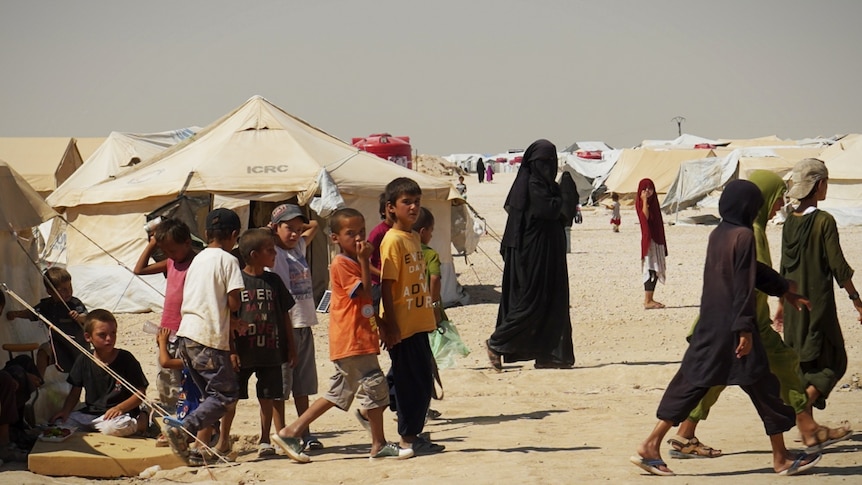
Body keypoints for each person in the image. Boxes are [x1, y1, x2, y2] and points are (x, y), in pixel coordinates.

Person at [631, 180, 820, 477]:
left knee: (700, 383)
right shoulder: (744, 235)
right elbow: (743, 286)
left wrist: (783, 288)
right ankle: (781, 458)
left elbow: (752, 271)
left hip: (711, 323)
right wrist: (745, 329)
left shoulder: (719, 233)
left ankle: (651, 445)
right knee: (757, 387)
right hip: (731, 329)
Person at [668, 170, 851, 459]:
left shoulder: (743, 227)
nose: (780, 205)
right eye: (778, 198)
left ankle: (683, 434)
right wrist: (754, 322)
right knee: (783, 369)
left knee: (715, 379)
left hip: (730, 322)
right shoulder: (749, 232)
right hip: (744, 323)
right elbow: (749, 282)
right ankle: (802, 434)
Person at [271, 208, 412, 462]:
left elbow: (364, 306)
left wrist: (379, 322)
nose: (358, 238)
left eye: (361, 232)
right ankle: (292, 431)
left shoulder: (353, 262)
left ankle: (375, 443)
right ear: (335, 238)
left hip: (360, 337)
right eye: (350, 234)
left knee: (363, 390)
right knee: (362, 389)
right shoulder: (342, 264)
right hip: (352, 339)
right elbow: (366, 293)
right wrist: (365, 262)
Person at [777, 158, 862, 419]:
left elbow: (783, 266)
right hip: (817, 305)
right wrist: (856, 299)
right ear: (819, 185)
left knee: (804, 364)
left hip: (792, 305)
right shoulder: (824, 221)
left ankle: (809, 427)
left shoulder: (790, 221)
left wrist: (781, 304)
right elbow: (838, 265)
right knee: (835, 361)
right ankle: (802, 413)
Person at [162, 208, 245, 466]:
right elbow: (233, 302)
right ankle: (183, 429)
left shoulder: (197, 259)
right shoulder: (229, 260)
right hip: (209, 339)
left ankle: (198, 450)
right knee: (225, 396)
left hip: (186, 337)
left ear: (207, 234)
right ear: (234, 235)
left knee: (207, 397)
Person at [486, 139, 575, 370]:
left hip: (550, 256)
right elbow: (552, 210)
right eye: (544, 162)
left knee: (553, 302)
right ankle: (497, 343)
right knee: (531, 302)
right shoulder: (533, 186)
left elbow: (562, 215)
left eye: (551, 162)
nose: (548, 167)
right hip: (532, 257)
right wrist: (565, 192)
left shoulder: (547, 187)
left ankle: (549, 354)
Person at [379, 177, 445, 454]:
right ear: (391, 207)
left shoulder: (414, 237)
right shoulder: (392, 241)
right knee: (409, 383)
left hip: (419, 322)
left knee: (421, 381)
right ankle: (407, 437)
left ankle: (414, 433)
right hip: (402, 326)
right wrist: (390, 325)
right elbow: (386, 285)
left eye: (416, 201)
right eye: (406, 202)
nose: (413, 207)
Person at [222, 228, 296, 459]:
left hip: (271, 350)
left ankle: (266, 439)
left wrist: (291, 346)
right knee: (231, 397)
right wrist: (231, 350)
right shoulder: (237, 281)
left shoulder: (273, 280)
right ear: (254, 254)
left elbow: (285, 315)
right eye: (270, 250)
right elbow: (228, 318)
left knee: (269, 395)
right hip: (243, 351)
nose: (275, 254)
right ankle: (224, 439)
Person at [133, 217, 197, 446]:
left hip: (187, 332)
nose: (170, 254)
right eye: (165, 250)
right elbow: (139, 270)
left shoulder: (197, 263)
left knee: (186, 385)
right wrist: (152, 244)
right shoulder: (171, 262)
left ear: (188, 243)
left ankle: (186, 428)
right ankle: (172, 426)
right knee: (166, 385)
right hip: (166, 333)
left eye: (173, 249)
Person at [268, 203, 323, 450]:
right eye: (288, 228)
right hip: (284, 326)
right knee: (281, 387)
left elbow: (315, 225)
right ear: (276, 228)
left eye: (297, 229)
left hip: (304, 323)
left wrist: (299, 227)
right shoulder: (273, 253)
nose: (294, 233)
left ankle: (303, 431)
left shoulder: (299, 246)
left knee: (303, 385)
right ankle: (281, 433)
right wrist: (269, 230)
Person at [52, 309, 148, 437]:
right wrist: (66, 411)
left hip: (119, 414)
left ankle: (142, 421)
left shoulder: (126, 358)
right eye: (102, 335)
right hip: (91, 413)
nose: (109, 338)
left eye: (113, 333)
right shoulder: (83, 359)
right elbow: (75, 392)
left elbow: (140, 393)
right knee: (60, 425)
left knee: (113, 428)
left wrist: (120, 408)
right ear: (88, 337)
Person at [6, 267, 88, 378]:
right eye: (63, 289)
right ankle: (39, 380)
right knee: (43, 351)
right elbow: (32, 313)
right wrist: (16, 314)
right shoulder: (47, 306)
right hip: (57, 346)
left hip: (77, 348)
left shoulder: (74, 303)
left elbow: (87, 317)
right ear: (50, 291)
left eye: (70, 287)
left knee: (79, 377)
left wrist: (79, 318)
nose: (68, 291)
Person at [156, 328, 221, 456]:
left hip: (198, 418)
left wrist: (163, 343)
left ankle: (201, 440)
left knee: (182, 432)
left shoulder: (196, 360)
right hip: (187, 412)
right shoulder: (192, 359)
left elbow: (166, 362)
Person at [637, 178, 667, 309]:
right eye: (645, 189)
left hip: (657, 239)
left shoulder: (654, 203)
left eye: (650, 189)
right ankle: (647, 300)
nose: (648, 191)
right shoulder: (641, 203)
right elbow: (645, 217)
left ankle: (650, 298)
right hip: (649, 240)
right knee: (650, 268)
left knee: (655, 269)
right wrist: (644, 200)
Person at [368, 193, 393, 314]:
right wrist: (381, 273)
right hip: (378, 284)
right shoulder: (378, 232)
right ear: (384, 211)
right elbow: (363, 259)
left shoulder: (402, 232)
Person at [559, 171, 578, 253]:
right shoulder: (573, 189)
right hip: (570, 214)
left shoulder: (560, 188)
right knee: (568, 231)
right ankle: (568, 249)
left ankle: (563, 248)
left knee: (562, 232)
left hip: (562, 214)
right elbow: (576, 199)